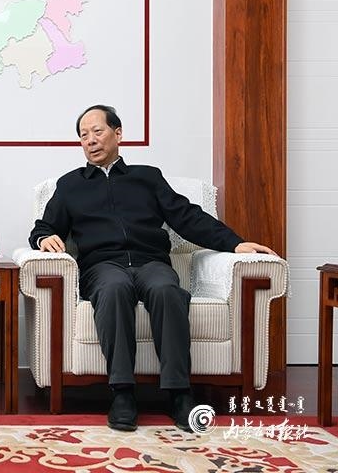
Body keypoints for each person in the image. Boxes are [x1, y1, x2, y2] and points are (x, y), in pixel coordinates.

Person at [28, 104, 276, 432]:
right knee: (114, 289)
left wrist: (235, 243)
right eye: (83, 136)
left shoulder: (147, 177)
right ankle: (122, 393)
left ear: (118, 134)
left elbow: (187, 216)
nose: (90, 140)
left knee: (167, 290)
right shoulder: (70, 185)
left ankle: (179, 393)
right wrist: (44, 237)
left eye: (97, 131)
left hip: (150, 262)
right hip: (102, 266)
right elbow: (44, 227)